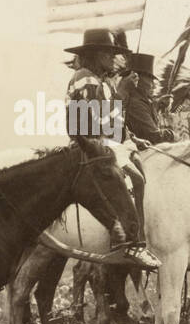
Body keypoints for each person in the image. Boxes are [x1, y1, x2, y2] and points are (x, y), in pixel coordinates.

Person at [64, 28, 160, 269]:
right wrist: (123, 92)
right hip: (88, 143)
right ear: (95, 54)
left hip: (104, 141)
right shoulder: (84, 78)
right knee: (136, 178)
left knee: (140, 162)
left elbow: (114, 122)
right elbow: (86, 123)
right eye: (107, 53)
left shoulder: (103, 81)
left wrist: (132, 139)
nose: (112, 57)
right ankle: (133, 242)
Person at [119, 52, 173, 144]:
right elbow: (154, 136)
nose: (153, 86)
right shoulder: (136, 103)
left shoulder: (141, 101)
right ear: (136, 79)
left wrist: (157, 105)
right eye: (150, 80)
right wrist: (174, 134)